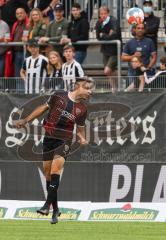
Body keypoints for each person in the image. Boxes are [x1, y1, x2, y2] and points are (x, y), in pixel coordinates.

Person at [15, 76, 94, 224]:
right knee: (47, 173)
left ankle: (46, 205)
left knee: (55, 170)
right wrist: (26, 120)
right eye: (88, 88)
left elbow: (80, 130)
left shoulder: (82, 109)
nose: (90, 92)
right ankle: (55, 209)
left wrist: (82, 138)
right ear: (78, 87)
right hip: (49, 138)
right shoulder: (59, 95)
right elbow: (42, 108)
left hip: (64, 140)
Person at [121, 23, 157, 87]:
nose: (140, 30)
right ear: (134, 30)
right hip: (132, 72)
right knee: (132, 93)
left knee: (146, 93)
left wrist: (148, 68)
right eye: (138, 28)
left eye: (142, 28)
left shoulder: (149, 41)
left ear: (145, 30)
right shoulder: (129, 42)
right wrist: (133, 56)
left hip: (146, 72)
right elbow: (123, 58)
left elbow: (154, 57)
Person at [95, 6, 122, 91]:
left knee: (107, 70)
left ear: (108, 13)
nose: (103, 15)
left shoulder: (113, 21)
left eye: (105, 13)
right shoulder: (99, 23)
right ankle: (114, 89)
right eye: (101, 14)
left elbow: (115, 35)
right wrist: (108, 35)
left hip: (114, 50)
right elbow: (98, 37)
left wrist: (103, 35)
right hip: (105, 50)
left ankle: (119, 84)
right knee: (110, 72)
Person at [10, 7, 29, 91]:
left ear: (25, 13)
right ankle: (19, 94)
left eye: (21, 13)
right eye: (17, 13)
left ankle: (25, 93)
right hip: (16, 53)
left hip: (26, 52)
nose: (19, 15)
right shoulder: (15, 24)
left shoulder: (29, 23)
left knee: (25, 74)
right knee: (17, 75)